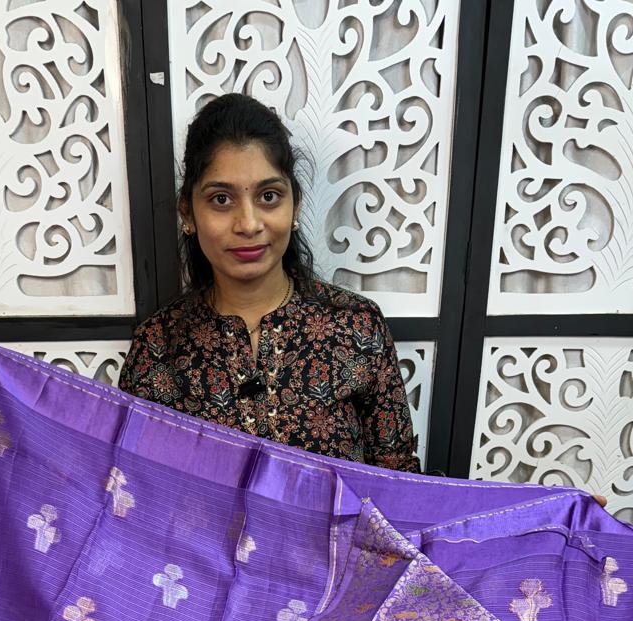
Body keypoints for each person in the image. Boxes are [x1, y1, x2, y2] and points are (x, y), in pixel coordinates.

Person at [119, 92, 421, 472]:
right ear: (188, 213)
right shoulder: (156, 347)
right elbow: (129, 487)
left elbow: (398, 480)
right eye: (221, 199)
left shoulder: (356, 327)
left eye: (269, 196)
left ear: (295, 204)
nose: (248, 224)